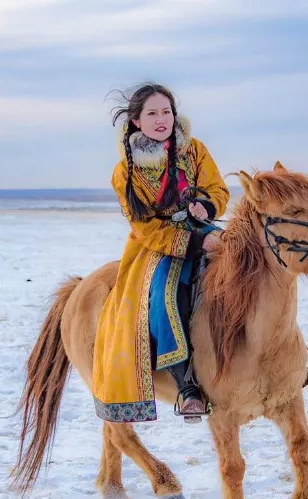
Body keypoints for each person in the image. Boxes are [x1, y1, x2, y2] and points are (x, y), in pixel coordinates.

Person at [91, 83, 229, 425]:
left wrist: (208, 205)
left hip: (203, 229)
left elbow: (218, 188)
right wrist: (194, 245)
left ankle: (279, 362)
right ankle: (186, 386)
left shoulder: (194, 150)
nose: (161, 119)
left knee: (255, 266)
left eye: (166, 111)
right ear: (137, 121)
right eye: (152, 113)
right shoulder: (125, 171)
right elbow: (144, 227)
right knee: (163, 294)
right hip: (156, 244)